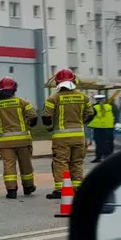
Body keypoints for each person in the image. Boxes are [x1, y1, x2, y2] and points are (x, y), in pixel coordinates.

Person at [42, 68, 95, 199]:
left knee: (61, 163)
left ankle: (61, 190)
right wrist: (81, 122)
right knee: (77, 162)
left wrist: (50, 126)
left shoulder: (53, 98)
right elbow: (91, 114)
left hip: (61, 139)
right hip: (79, 137)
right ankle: (77, 188)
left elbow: (46, 118)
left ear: (57, 82)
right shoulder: (83, 97)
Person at [0, 77, 38, 199]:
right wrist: (29, 125)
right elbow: (34, 116)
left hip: (5, 142)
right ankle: (28, 187)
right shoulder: (22, 102)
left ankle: (11, 190)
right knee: (26, 164)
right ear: (14, 89)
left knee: (8, 165)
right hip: (23, 140)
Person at [89, 92, 119, 163]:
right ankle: (109, 156)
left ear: (96, 100)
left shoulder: (94, 107)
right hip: (109, 127)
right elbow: (116, 115)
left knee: (99, 143)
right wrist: (114, 123)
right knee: (109, 142)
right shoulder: (111, 106)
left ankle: (99, 157)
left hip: (98, 128)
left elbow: (89, 117)